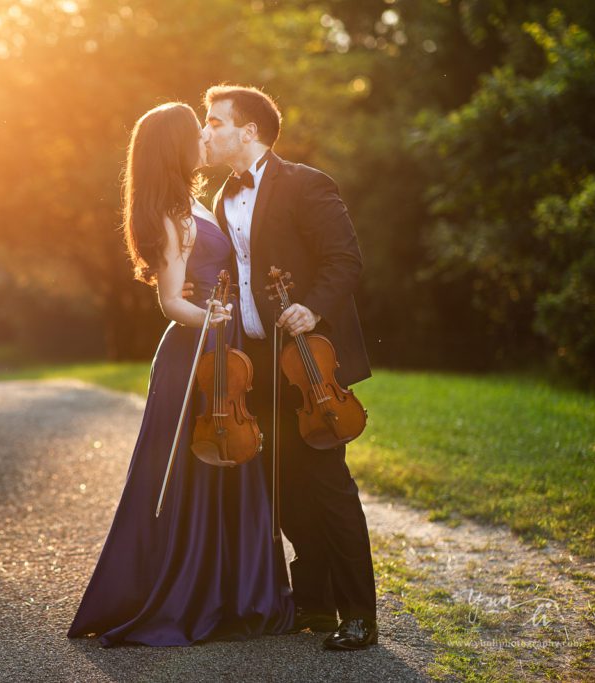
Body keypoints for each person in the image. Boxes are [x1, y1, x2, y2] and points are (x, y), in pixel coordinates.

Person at [66, 102, 294, 646]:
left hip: (224, 347)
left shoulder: (198, 202)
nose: (205, 138)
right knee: (193, 469)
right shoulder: (171, 214)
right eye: (198, 131)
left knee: (231, 458)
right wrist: (208, 315)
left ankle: (235, 594)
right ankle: (190, 595)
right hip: (195, 353)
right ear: (176, 145)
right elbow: (171, 301)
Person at [198, 84, 378, 651]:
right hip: (255, 365)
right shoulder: (221, 199)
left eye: (216, 122)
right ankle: (316, 604)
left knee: (328, 485)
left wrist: (313, 307)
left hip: (306, 364)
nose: (207, 131)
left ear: (248, 130)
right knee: (284, 488)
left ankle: (360, 614)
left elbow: (345, 260)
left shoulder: (306, 183)